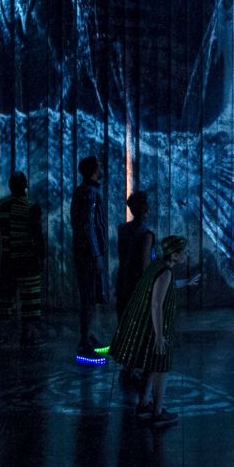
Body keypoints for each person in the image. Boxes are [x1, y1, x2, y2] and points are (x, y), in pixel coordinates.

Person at [109, 235, 195, 427]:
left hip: (147, 325)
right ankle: (157, 412)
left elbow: (162, 289)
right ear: (174, 254)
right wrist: (159, 336)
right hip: (154, 327)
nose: (187, 254)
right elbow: (156, 304)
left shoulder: (158, 266)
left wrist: (186, 282)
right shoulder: (165, 273)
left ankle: (143, 404)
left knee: (151, 363)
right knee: (161, 366)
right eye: (184, 251)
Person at [0, 171, 46, 347]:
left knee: (3, 298)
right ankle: (28, 336)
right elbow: (38, 236)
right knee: (30, 299)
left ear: (10, 186)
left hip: (8, 261)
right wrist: (42, 257)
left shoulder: (0, 207)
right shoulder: (32, 208)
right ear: (26, 186)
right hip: (28, 261)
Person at [70, 155, 109, 357]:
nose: (102, 169)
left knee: (90, 297)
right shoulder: (90, 193)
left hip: (83, 252)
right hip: (88, 255)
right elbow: (88, 226)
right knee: (89, 297)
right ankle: (85, 342)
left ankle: (87, 336)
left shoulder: (81, 191)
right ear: (94, 170)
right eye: (100, 166)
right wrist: (96, 254)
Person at [116, 191, 156, 321]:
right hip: (138, 282)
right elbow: (145, 262)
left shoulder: (122, 229)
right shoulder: (147, 234)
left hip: (123, 280)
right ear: (145, 209)